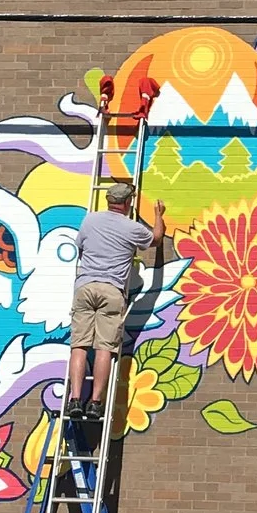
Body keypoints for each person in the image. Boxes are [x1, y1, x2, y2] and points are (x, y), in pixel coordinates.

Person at [62, 179, 167, 435]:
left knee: (79, 345)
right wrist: (158, 215)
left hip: (85, 287)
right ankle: (95, 402)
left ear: (109, 201)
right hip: (112, 290)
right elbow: (156, 238)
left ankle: (75, 398)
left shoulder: (90, 220)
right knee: (104, 348)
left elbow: (80, 248)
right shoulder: (131, 228)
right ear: (128, 203)